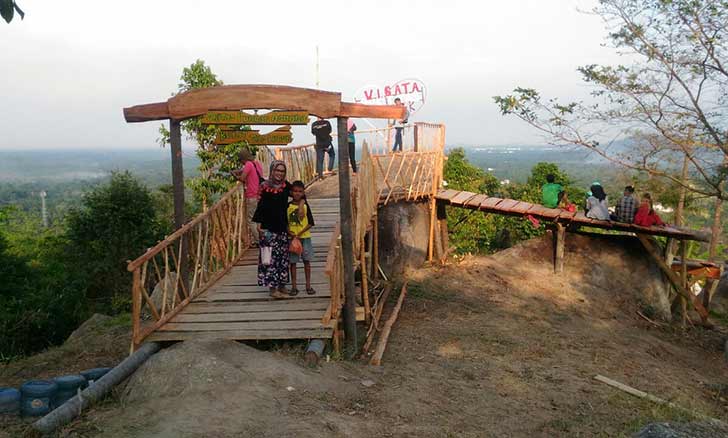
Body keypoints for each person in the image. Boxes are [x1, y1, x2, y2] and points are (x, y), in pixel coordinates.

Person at [252, 160, 292, 299]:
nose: (279, 173)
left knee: (282, 258)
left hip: (281, 227)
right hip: (268, 228)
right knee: (270, 258)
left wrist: (301, 205)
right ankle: (273, 289)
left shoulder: (286, 186)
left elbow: (300, 194)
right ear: (272, 171)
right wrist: (258, 223)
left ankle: (282, 285)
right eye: (277, 170)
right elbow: (261, 206)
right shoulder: (264, 186)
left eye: (282, 171)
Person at [287, 180, 316, 296]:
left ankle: (308, 285)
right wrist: (291, 233)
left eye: (300, 191)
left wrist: (300, 233)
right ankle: (294, 286)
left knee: (306, 261)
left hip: (305, 237)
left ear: (303, 192)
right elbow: (285, 222)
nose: (297, 194)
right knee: (293, 262)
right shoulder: (288, 206)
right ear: (291, 192)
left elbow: (311, 223)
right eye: (295, 191)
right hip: (293, 238)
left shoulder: (305, 206)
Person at [231, 149, 264, 245]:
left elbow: (242, 178)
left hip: (252, 195)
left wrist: (235, 176)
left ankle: (258, 241)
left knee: (251, 219)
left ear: (242, 159)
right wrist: (237, 171)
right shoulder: (256, 163)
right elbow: (242, 170)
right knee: (258, 218)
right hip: (260, 194)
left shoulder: (248, 165)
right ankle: (261, 238)